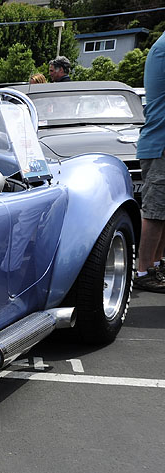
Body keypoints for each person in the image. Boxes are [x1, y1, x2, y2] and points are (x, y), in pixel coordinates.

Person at [134, 33, 165, 293]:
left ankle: (155, 265)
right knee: (155, 211)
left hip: (160, 144)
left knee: (162, 213)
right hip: (160, 144)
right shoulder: (163, 47)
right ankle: (143, 270)